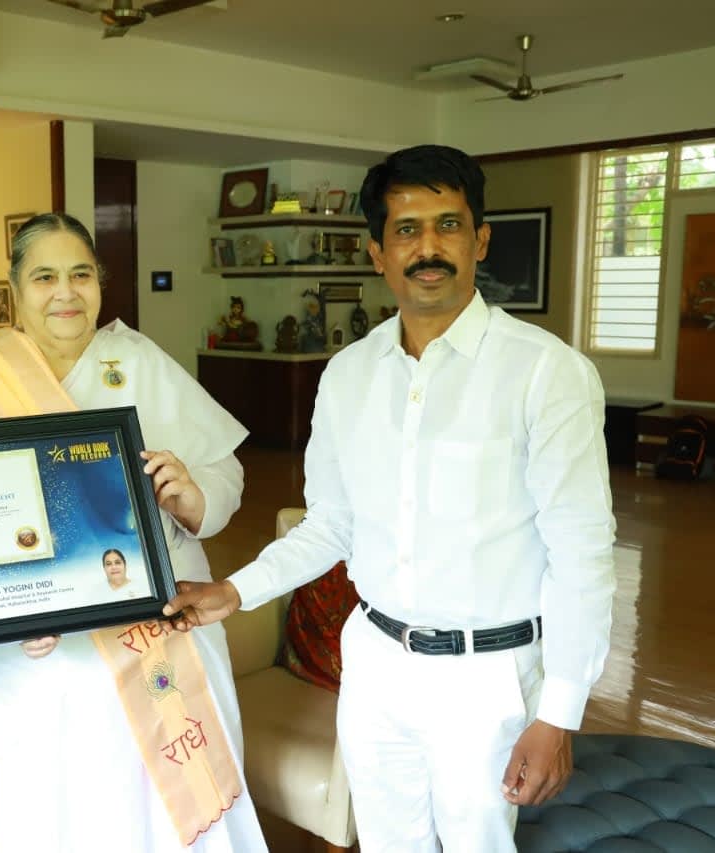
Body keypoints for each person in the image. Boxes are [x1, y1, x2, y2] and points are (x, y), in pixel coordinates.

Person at [165, 145, 617, 852]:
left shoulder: (546, 373)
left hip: (484, 680)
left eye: (448, 225)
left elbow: (582, 555)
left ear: (480, 240)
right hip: (373, 663)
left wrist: (558, 712)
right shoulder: (347, 375)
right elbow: (331, 526)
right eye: (407, 230)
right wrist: (234, 589)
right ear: (377, 251)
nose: (428, 248)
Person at [0, 213, 267, 852]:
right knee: (58, 814)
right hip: (35, 659)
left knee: (168, 823)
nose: (65, 292)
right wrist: (6, 615)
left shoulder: (138, 361)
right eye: (45, 276)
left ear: (100, 284)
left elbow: (227, 477)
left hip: (161, 630)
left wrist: (195, 496)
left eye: (81, 274)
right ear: (15, 289)